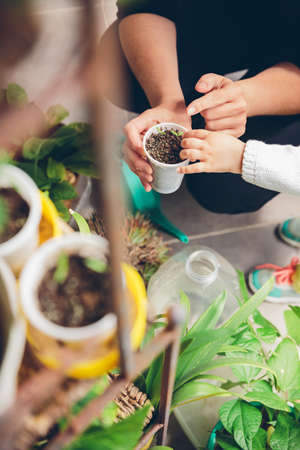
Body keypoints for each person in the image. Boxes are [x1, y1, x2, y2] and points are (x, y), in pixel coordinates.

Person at [99, 0, 300, 213]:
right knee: (116, 70)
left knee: (225, 189)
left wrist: (247, 98)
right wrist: (167, 100)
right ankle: (195, 115)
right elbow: (144, 7)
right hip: (240, 20)